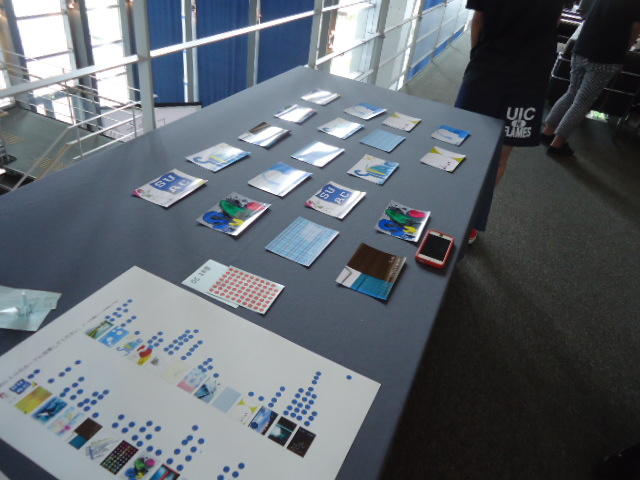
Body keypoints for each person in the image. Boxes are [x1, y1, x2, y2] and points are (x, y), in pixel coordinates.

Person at [454, 0, 568, 243]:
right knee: (500, 156)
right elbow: (555, 20)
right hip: (530, 75)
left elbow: (478, 20)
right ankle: (470, 221)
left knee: (462, 143)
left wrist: (477, 56)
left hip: (487, 67)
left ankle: (451, 209)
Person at [542, 0, 640, 156]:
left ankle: (547, 132)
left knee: (571, 93)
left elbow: (584, 12)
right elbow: (635, 28)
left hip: (582, 46)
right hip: (606, 56)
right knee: (582, 102)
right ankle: (557, 144)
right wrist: (624, 50)